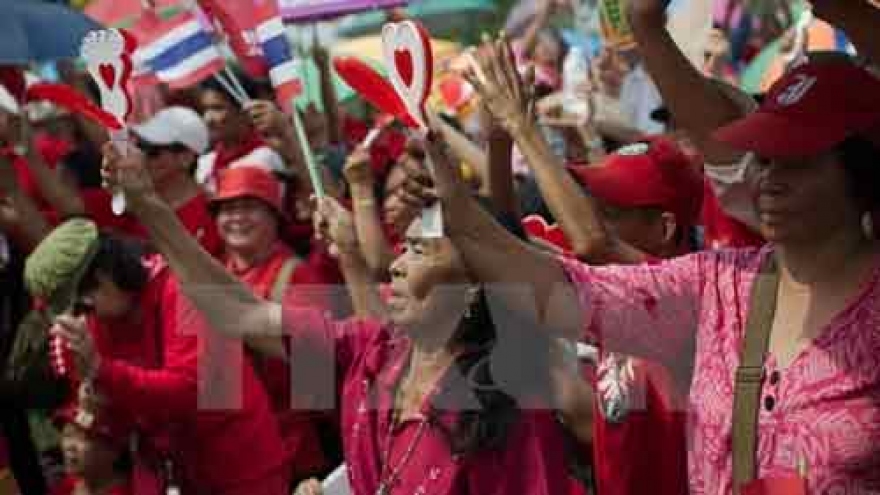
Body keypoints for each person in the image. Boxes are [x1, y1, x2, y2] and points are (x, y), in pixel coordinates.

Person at [417, 34, 880, 494]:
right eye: (763, 159)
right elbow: (571, 294)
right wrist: (456, 211)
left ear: (859, 169)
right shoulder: (720, 284)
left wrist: (647, 27)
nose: (771, 180)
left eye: (796, 161)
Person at [101, 139, 583, 495]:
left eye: (419, 252)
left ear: (474, 286)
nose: (394, 264)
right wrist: (149, 205)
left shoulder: (513, 408)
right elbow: (237, 311)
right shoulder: (375, 349)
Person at [31, 219, 288, 495]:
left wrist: (103, 371)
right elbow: (126, 415)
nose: (84, 313)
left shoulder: (180, 290)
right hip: (179, 472)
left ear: (106, 274)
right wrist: (95, 406)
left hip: (242, 465)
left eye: (83, 301)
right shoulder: (98, 323)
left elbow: (189, 388)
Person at [209, 164, 339, 483]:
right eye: (227, 209)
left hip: (292, 454)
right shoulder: (213, 274)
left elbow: (317, 375)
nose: (237, 217)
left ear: (274, 218)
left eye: (249, 207)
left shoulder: (296, 276)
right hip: (229, 452)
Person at [51, 404, 133, 495]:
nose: (69, 446)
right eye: (67, 435)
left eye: (83, 438)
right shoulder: (64, 486)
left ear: (114, 451)